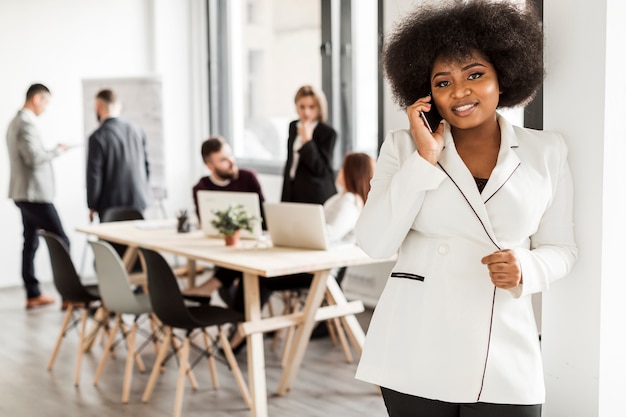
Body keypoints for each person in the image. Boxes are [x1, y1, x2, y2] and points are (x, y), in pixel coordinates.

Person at [354, 2, 578, 417]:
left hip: (504, 346)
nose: (459, 92)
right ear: (426, 92)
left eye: (475, 75)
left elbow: (563, 249)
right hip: (415, 343)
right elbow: (374, 241)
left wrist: (526, 268)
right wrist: (424, 159)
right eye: (443, 82)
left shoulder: (546, 151)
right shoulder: (403, 149)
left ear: (502, 77)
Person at [6, 83, 70, 309]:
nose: (46, 107)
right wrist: (57, 151)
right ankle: (71, 296)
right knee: (62, 241)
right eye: (46, 102)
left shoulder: (16, 122)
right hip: (34, 195)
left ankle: (33, 293)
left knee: (30, 242)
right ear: (36, 99)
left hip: (24, 193)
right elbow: (33, 158)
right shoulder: (25, 125)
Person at [184, 136, 266, 303]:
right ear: (209, 165)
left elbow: (264, 216)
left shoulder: (248, 178)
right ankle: (243, 325)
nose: (231, 162)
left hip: (253, 245)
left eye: (230, 155)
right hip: (223, 247)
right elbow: (206, 224)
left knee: (243, 266)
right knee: (236, 269)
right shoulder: (202, 188)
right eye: (223, 160)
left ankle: (209, 287)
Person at [86, 89, 150, 223]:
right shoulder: (138, 130)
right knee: (136, 243)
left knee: (111, 244)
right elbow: (146, 167)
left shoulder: (98, 136)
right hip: (138, 202)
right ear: (119, 107)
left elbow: (94, 176)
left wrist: (92, 205)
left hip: (111, 207)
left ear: (98, 107)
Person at [281, 85, 337, 205]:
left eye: (311, 107)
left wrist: (308, 141)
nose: (306, 112)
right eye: (302, 107)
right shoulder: (293, 126)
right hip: (292, 190)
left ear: (319, 107)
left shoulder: (327, 133)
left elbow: (321, 169)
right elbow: (290, 162)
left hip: (314, 194)